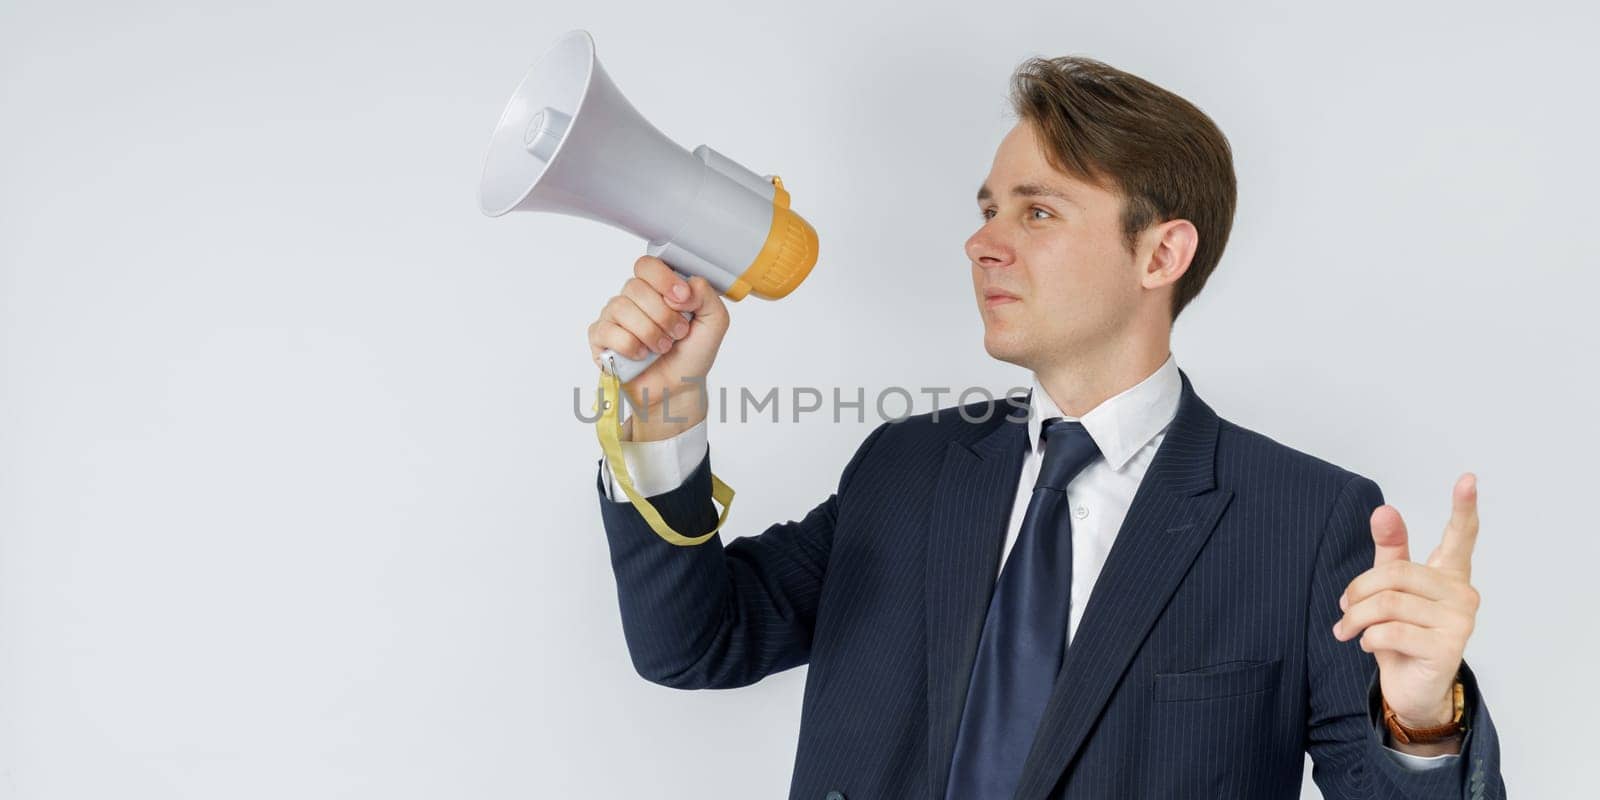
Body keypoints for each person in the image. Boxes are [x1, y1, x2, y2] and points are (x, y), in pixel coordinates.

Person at [586, 55, 1503, 799]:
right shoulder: (904, 468)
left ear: (1162, 253)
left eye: (1037, 211)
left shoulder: (1304, 521)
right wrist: (662, 411)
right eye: (988, 209)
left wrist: (1421, 721)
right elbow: (694, 643)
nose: (983, 242)